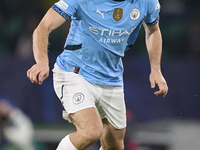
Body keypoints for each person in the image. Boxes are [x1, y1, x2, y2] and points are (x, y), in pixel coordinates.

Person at [27, 0, 168, 149]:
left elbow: (153, 31)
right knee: (90, 132)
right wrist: (42, 61)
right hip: (75, 72)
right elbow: (43, 26)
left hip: (112, 78)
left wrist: (156, 70)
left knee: (114, 145)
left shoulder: (147, 2)